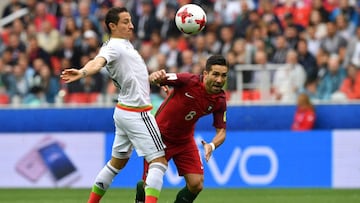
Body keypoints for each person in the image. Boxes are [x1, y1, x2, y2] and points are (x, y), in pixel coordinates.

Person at [60, 7, 167, 203]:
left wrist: (154, 79)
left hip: (124, 111)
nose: (131, 25)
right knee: (159, 161)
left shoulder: (125, 46)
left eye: (131, 21)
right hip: (138, 113)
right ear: (112, 26)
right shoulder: (113, 46)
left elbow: (134, 78)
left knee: (116, 164)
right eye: (126, 22)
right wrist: (83, 72)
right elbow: (97, 62)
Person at [135, 55, 228, 203]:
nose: (219, 80)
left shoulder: (220, 100)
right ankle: (141, 191)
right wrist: (155, 76)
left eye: (223, 75)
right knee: (149, 186)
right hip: (159, 137)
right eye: (215, 74)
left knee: (196, 184)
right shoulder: (188, 80)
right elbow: (158, 78)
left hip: (184, 141)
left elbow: (221, 132)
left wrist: (212, 145)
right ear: (205, 74)